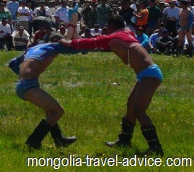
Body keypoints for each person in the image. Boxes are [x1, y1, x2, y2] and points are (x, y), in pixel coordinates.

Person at [59, 15, 163, 155]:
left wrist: (67, 42)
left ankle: (155, 148)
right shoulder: (126, 33)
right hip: (146, 74)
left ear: (112, 26)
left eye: (108, 26)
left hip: (150, 75)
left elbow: (92, 42)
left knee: (139, 110)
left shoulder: (114, 37)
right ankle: (124, 140)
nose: (106, 29)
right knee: (131, 105)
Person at [8, 33, 78, 149]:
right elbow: (72, 49)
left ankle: (59, 140)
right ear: (57, 41)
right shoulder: (54, 46)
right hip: (29, 86)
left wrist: (24, 75)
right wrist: (89, 46)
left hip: (22, 85)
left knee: (50, 111)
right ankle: (33, 141)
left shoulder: (32, 49)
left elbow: (12, 64)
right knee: (58, 111)